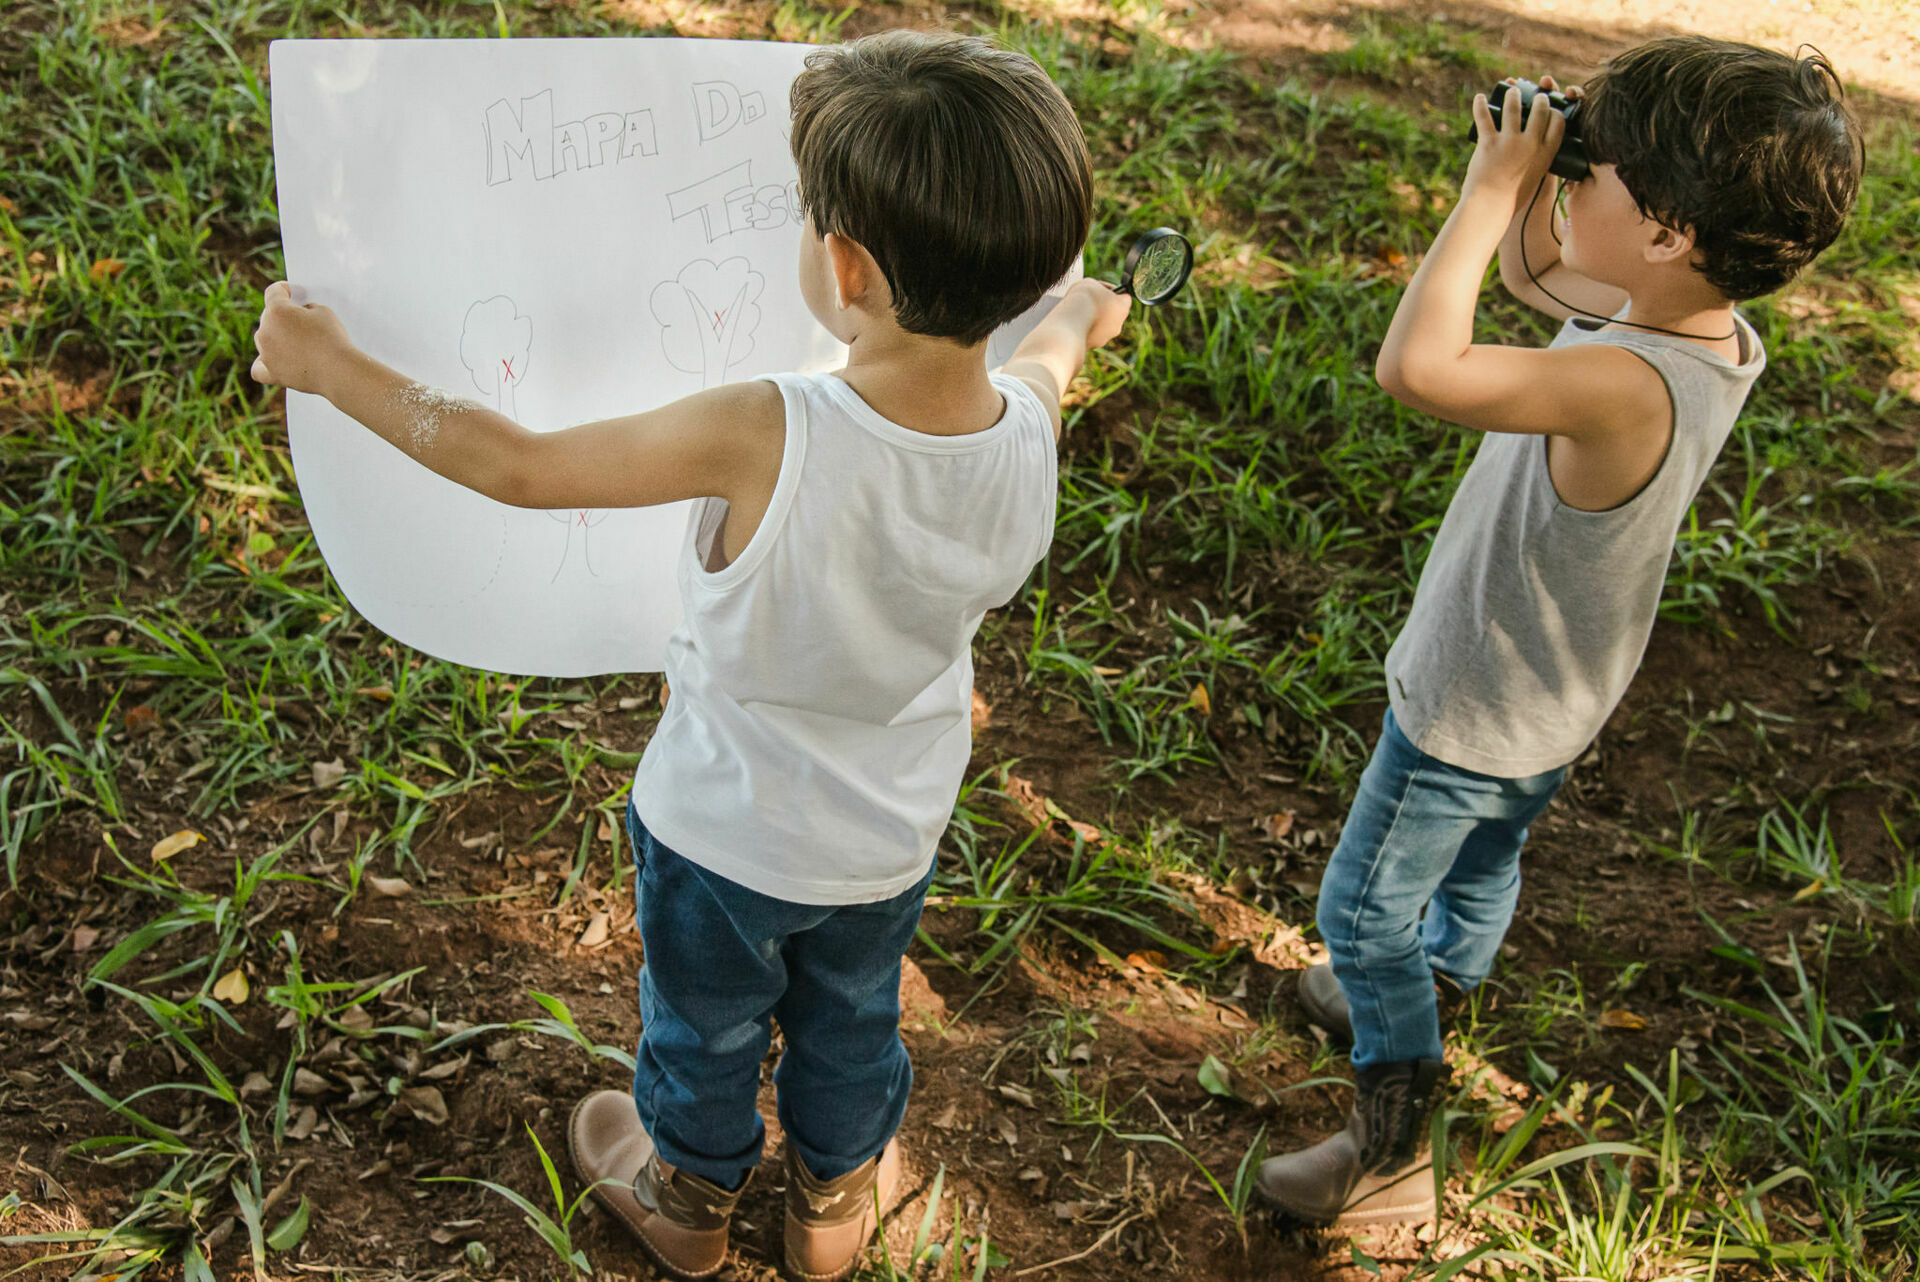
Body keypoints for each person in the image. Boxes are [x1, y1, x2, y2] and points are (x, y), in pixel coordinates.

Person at [251, 30, 1131, 1281]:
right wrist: (1082, 318)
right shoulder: (1025, 437)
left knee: (705, 1028)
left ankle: (688, 1201)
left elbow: (521, 465)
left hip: (723, 835)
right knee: (851, 1019)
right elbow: (1052, 358)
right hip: (890, 834)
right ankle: (829, 1208)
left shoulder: (767, 427)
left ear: (842, 265)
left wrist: (330, 367)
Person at [1254, 36, 1863, 1226]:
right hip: (1555, 702)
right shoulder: (1702, 331)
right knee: (1482, 867)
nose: (1572, 184)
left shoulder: (1624, 382)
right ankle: (1434, 982)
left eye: (1598, 175)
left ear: (1671, 231)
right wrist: (1555, 168)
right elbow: (1552, 284)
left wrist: (1492, 190)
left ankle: (1389, 1159)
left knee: (1362, 909)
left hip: (1470, 704)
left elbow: (1418, 364)